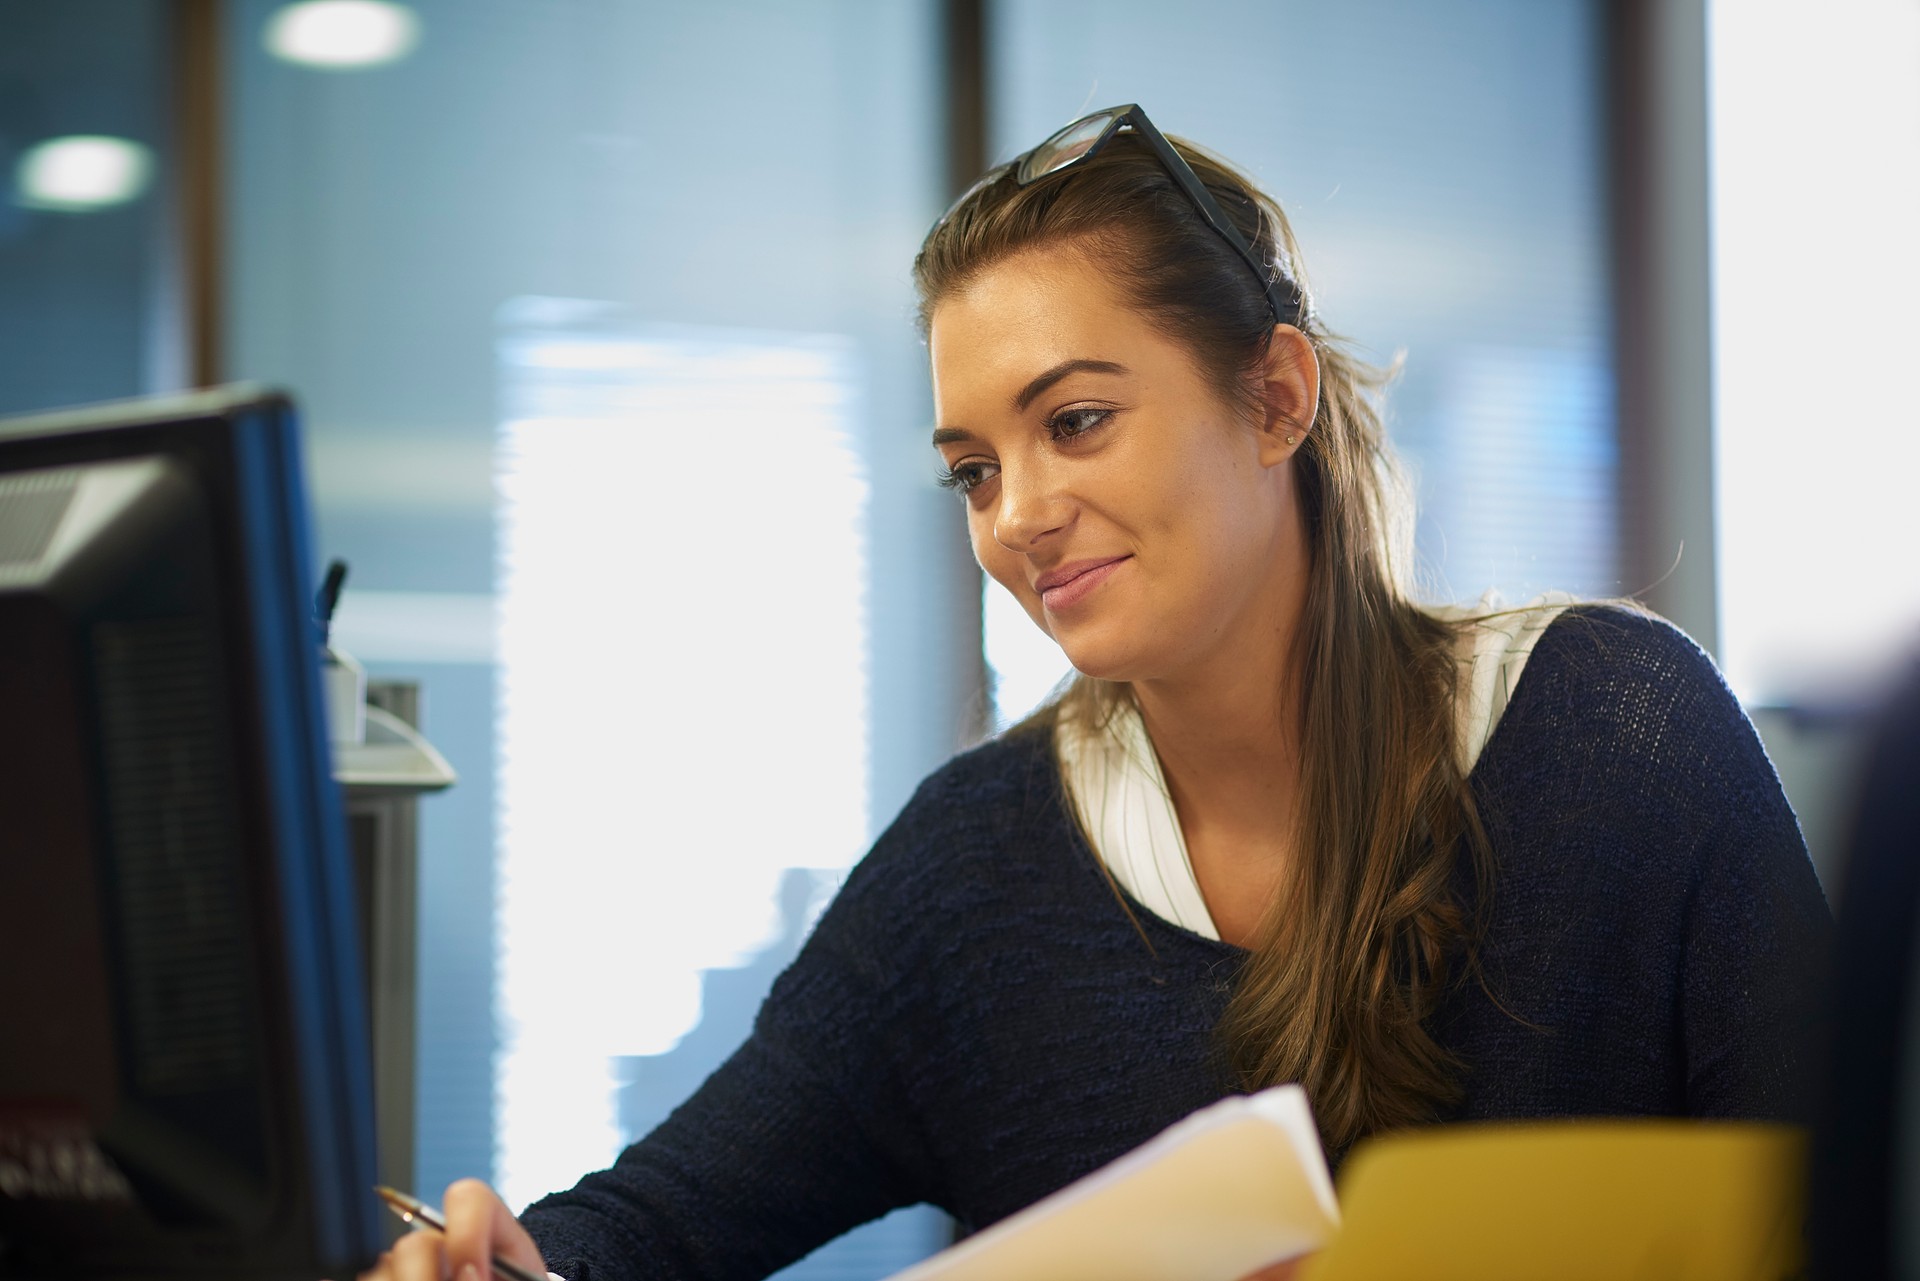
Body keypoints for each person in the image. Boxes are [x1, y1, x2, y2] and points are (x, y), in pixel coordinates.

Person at [362, 105, 1830, 1281]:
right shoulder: (979, 862)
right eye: (974, 469)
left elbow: (1852, 1215)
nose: (1015, 514)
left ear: (1275, 398)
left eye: (1076, 421)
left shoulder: (1616, 737)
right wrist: (510, 1262)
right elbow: (668, 1219)